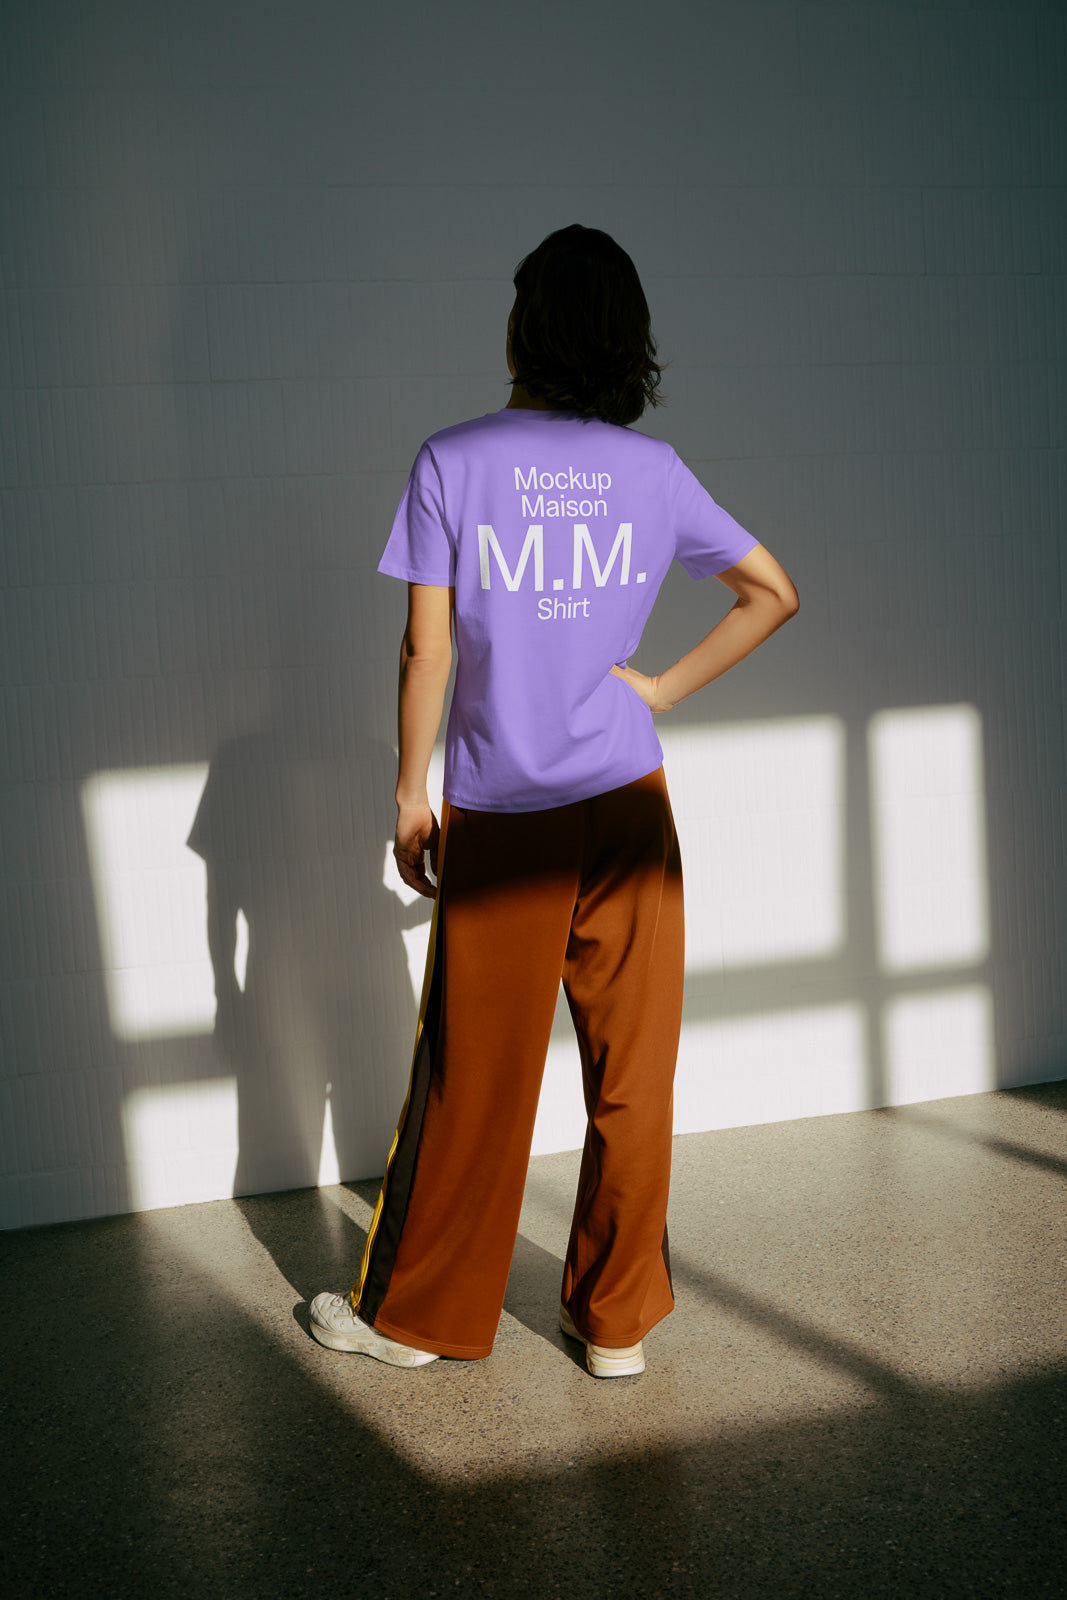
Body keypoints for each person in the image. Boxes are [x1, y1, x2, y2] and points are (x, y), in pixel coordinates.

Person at [310, 224, 798, 1377]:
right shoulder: (653, 474)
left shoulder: (451, 460)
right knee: (631, 1071)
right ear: (626, 341)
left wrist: (407, 793)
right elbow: (770, 592)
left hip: (506, 807)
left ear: (523, 328)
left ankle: (417, 1319)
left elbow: (424, 652)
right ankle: (612, 1322)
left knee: (474, 1077)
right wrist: (661, 687)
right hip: (628, 802)